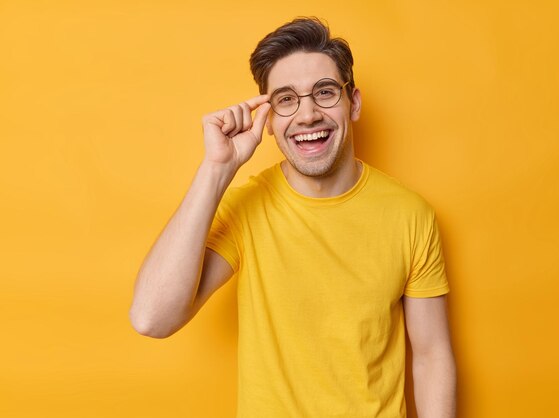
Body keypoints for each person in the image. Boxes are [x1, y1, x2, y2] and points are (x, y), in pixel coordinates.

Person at [130, 17, 456, 418]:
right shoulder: (248, 208)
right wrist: (216, 169)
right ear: (267, 117)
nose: (307, 116)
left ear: (353, 103)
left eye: (324, 93)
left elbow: (431, 354)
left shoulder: (411, 215)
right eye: (286, 99)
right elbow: (151, 318)